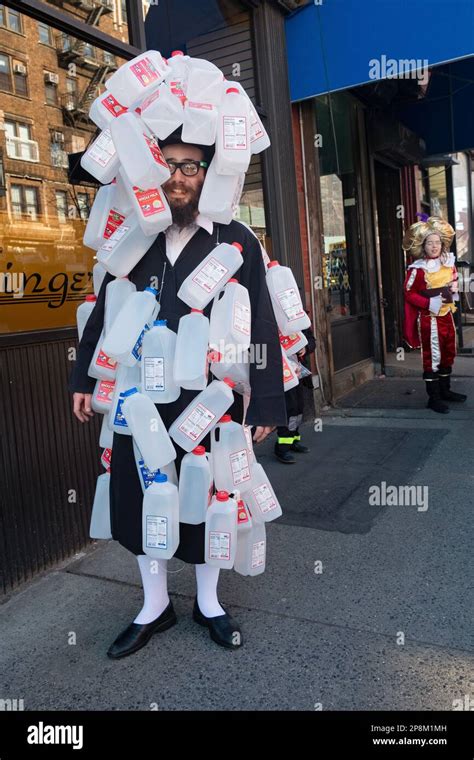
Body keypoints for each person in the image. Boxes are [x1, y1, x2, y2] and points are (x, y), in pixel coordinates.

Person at [70, 129, 287, 658]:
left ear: (208, 174)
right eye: (167, 164)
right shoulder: (135, 234)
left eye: (190, 166)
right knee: (145, 498)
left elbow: (261, 317)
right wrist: (83, 377)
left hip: (211, 396)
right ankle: (153, 605)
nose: (178, 176)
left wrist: (265, 400)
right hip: (137, 396)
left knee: (209, 497)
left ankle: (208, 602)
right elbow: (106, 308)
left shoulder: (235, 239)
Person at [402, 216, 467, 413]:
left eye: (437, 242)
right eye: (430, 243)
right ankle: (434, 398)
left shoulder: (449, 262)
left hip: (447, 316)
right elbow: (408, 292)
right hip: (429, 320)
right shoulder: (417, 269)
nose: (434, 246)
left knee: (449, 353)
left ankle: (445, 391)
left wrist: (454, 288)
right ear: (423, 245)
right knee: (433, 357)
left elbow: (454, 280)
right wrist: (429, 302)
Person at [274, 325, 316, 463]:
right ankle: (282, 448)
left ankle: (294, 440)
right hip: (282, 374)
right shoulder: (271, 321)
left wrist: (305, 348)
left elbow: (311, 340)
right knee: (288, 409)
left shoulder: (297, 320)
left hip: (299, 374)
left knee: (298, 408)